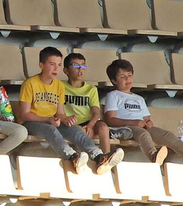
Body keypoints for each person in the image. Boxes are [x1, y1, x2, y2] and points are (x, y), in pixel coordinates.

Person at [17, 46, 122, 174]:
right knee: (50, 129)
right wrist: (48, 119)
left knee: (75, 130)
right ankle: (72, 157)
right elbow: (25, 114)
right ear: (41, 65)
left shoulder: (59, 86)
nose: (56, 68)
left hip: (51, 121)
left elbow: (60, 113)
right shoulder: (30, 83)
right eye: (52, 64)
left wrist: (65, 119)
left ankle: (99, 156)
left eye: (59, 65)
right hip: (32, 123)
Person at [102, 59, 183, 167]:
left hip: (140, 126)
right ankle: (153, 155)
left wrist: (148, 123)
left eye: (129, 75)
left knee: (167, 135)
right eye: (122, 77)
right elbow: (110, 120)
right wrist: (133, 122)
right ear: (114, 81)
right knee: (143, 134)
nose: (127, 79)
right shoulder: (113, 95)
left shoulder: (139, 98)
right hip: (125, 128)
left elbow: (147, 118)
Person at [61, 52, 112, 152]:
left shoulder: (91, 89)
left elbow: (96, 112)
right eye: (76, 66)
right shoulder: (60, 86)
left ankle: (106, 157)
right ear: (66, 70)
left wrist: (91, 125)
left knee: (103, 127)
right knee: (80, 132)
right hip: (70, 123)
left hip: (89, 122)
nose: (80, 70)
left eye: (83, 66)